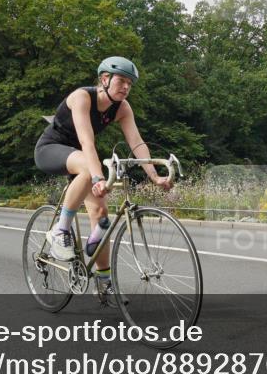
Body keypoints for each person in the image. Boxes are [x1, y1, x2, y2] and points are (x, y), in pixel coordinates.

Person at [34, 57, 172, 301]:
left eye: (130, 83)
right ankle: (60, 230)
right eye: (121, 81)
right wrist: (98, 176)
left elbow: (137, 142)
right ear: (104, 79)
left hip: (81, 158)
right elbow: (87, 141)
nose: (126, 87)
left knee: (102, 217)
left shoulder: (122, 108)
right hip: (52, 149)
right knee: (89, 170)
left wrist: (154, 175)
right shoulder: (82, 97)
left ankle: (104, 282)